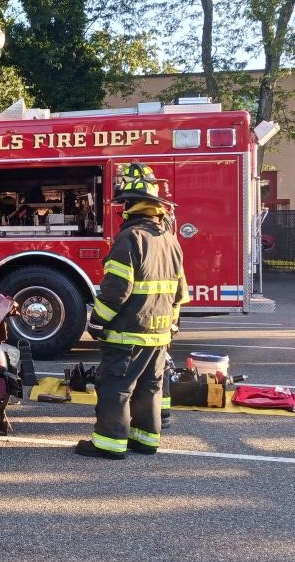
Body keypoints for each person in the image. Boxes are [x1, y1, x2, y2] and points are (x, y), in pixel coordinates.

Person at [76, 163, 189, 459]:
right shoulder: (170, 240)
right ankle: (146, 440)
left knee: (116, 385)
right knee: (150, 387)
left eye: (123, 204)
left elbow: (116, 289)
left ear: (130, 206)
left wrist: (97, 321)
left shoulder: (131, 238)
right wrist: (171, 326)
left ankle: (109, 443)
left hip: (129, 331)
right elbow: (180, 291)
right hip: (159, 332)